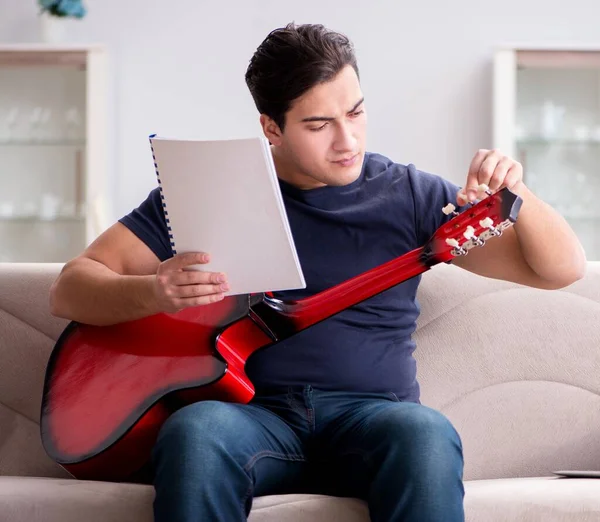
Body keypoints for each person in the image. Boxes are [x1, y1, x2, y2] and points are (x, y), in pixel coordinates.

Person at [49, 22, 586, 522]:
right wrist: (155, 291)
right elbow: (72, 288)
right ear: (270, 127)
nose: (347, 140)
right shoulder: (206, 194)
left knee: (425, 433)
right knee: (195, 430)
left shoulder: (413, 195)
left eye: (355, 112)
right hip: (252, 416)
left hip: (375, 419)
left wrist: (517, 194)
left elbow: (561, 270)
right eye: (318, 123)